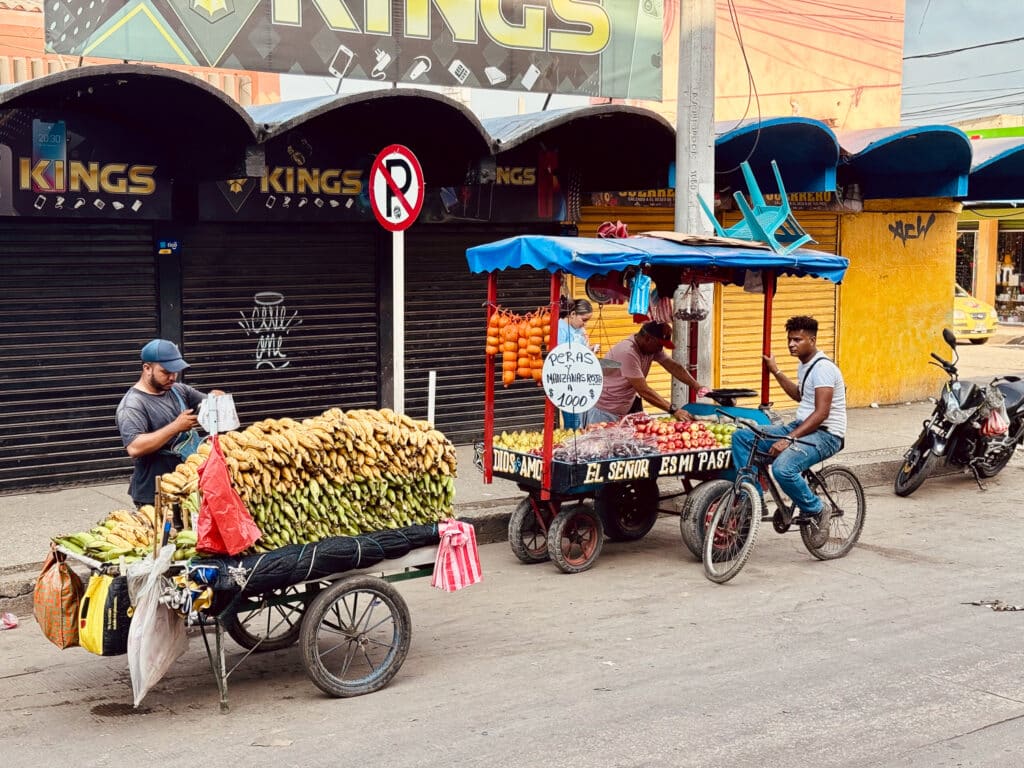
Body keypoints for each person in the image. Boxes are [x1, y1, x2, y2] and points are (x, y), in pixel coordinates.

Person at [730, 315, 846, 545]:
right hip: (802, 426)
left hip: (827, 433)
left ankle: (817, 508)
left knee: (783, 469)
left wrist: (789, 439)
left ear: (812, 340)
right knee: (744, 437)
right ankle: (753, 497)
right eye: (790, 340)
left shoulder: (823, 368)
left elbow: (822, 413)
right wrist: (776, 371)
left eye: (797, 340)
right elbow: (800, 395)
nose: (791, 344)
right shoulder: (805, 365)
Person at [115, 339, 222, 507]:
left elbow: (207, 404)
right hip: (155, 493)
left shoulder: (178, 390)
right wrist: (175, 427)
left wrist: (216, 399)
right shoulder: (133, 405)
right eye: (166, 372)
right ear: (147, 368)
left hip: (187, 486)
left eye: (175, 372)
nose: (172, 377)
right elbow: (135, 447)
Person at [582, 321, 706, 426]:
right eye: (659, 345)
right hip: (603, 411)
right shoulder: (627, 352)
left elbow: (672, 366)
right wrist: (674, 410)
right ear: (647, 338)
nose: (660, 349)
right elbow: (644, 390)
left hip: (622, 409)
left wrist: (696, 385)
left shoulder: (651, 348)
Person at [557, 298, 594, 429]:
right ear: (572, 314)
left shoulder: (579, 330)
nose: (585, 325)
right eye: (584, 320)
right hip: (564, 381)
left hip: (579, 380)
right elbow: (560, 355)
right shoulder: (560, 328)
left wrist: (589, 350)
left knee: (579, 420)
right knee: (572, 421)